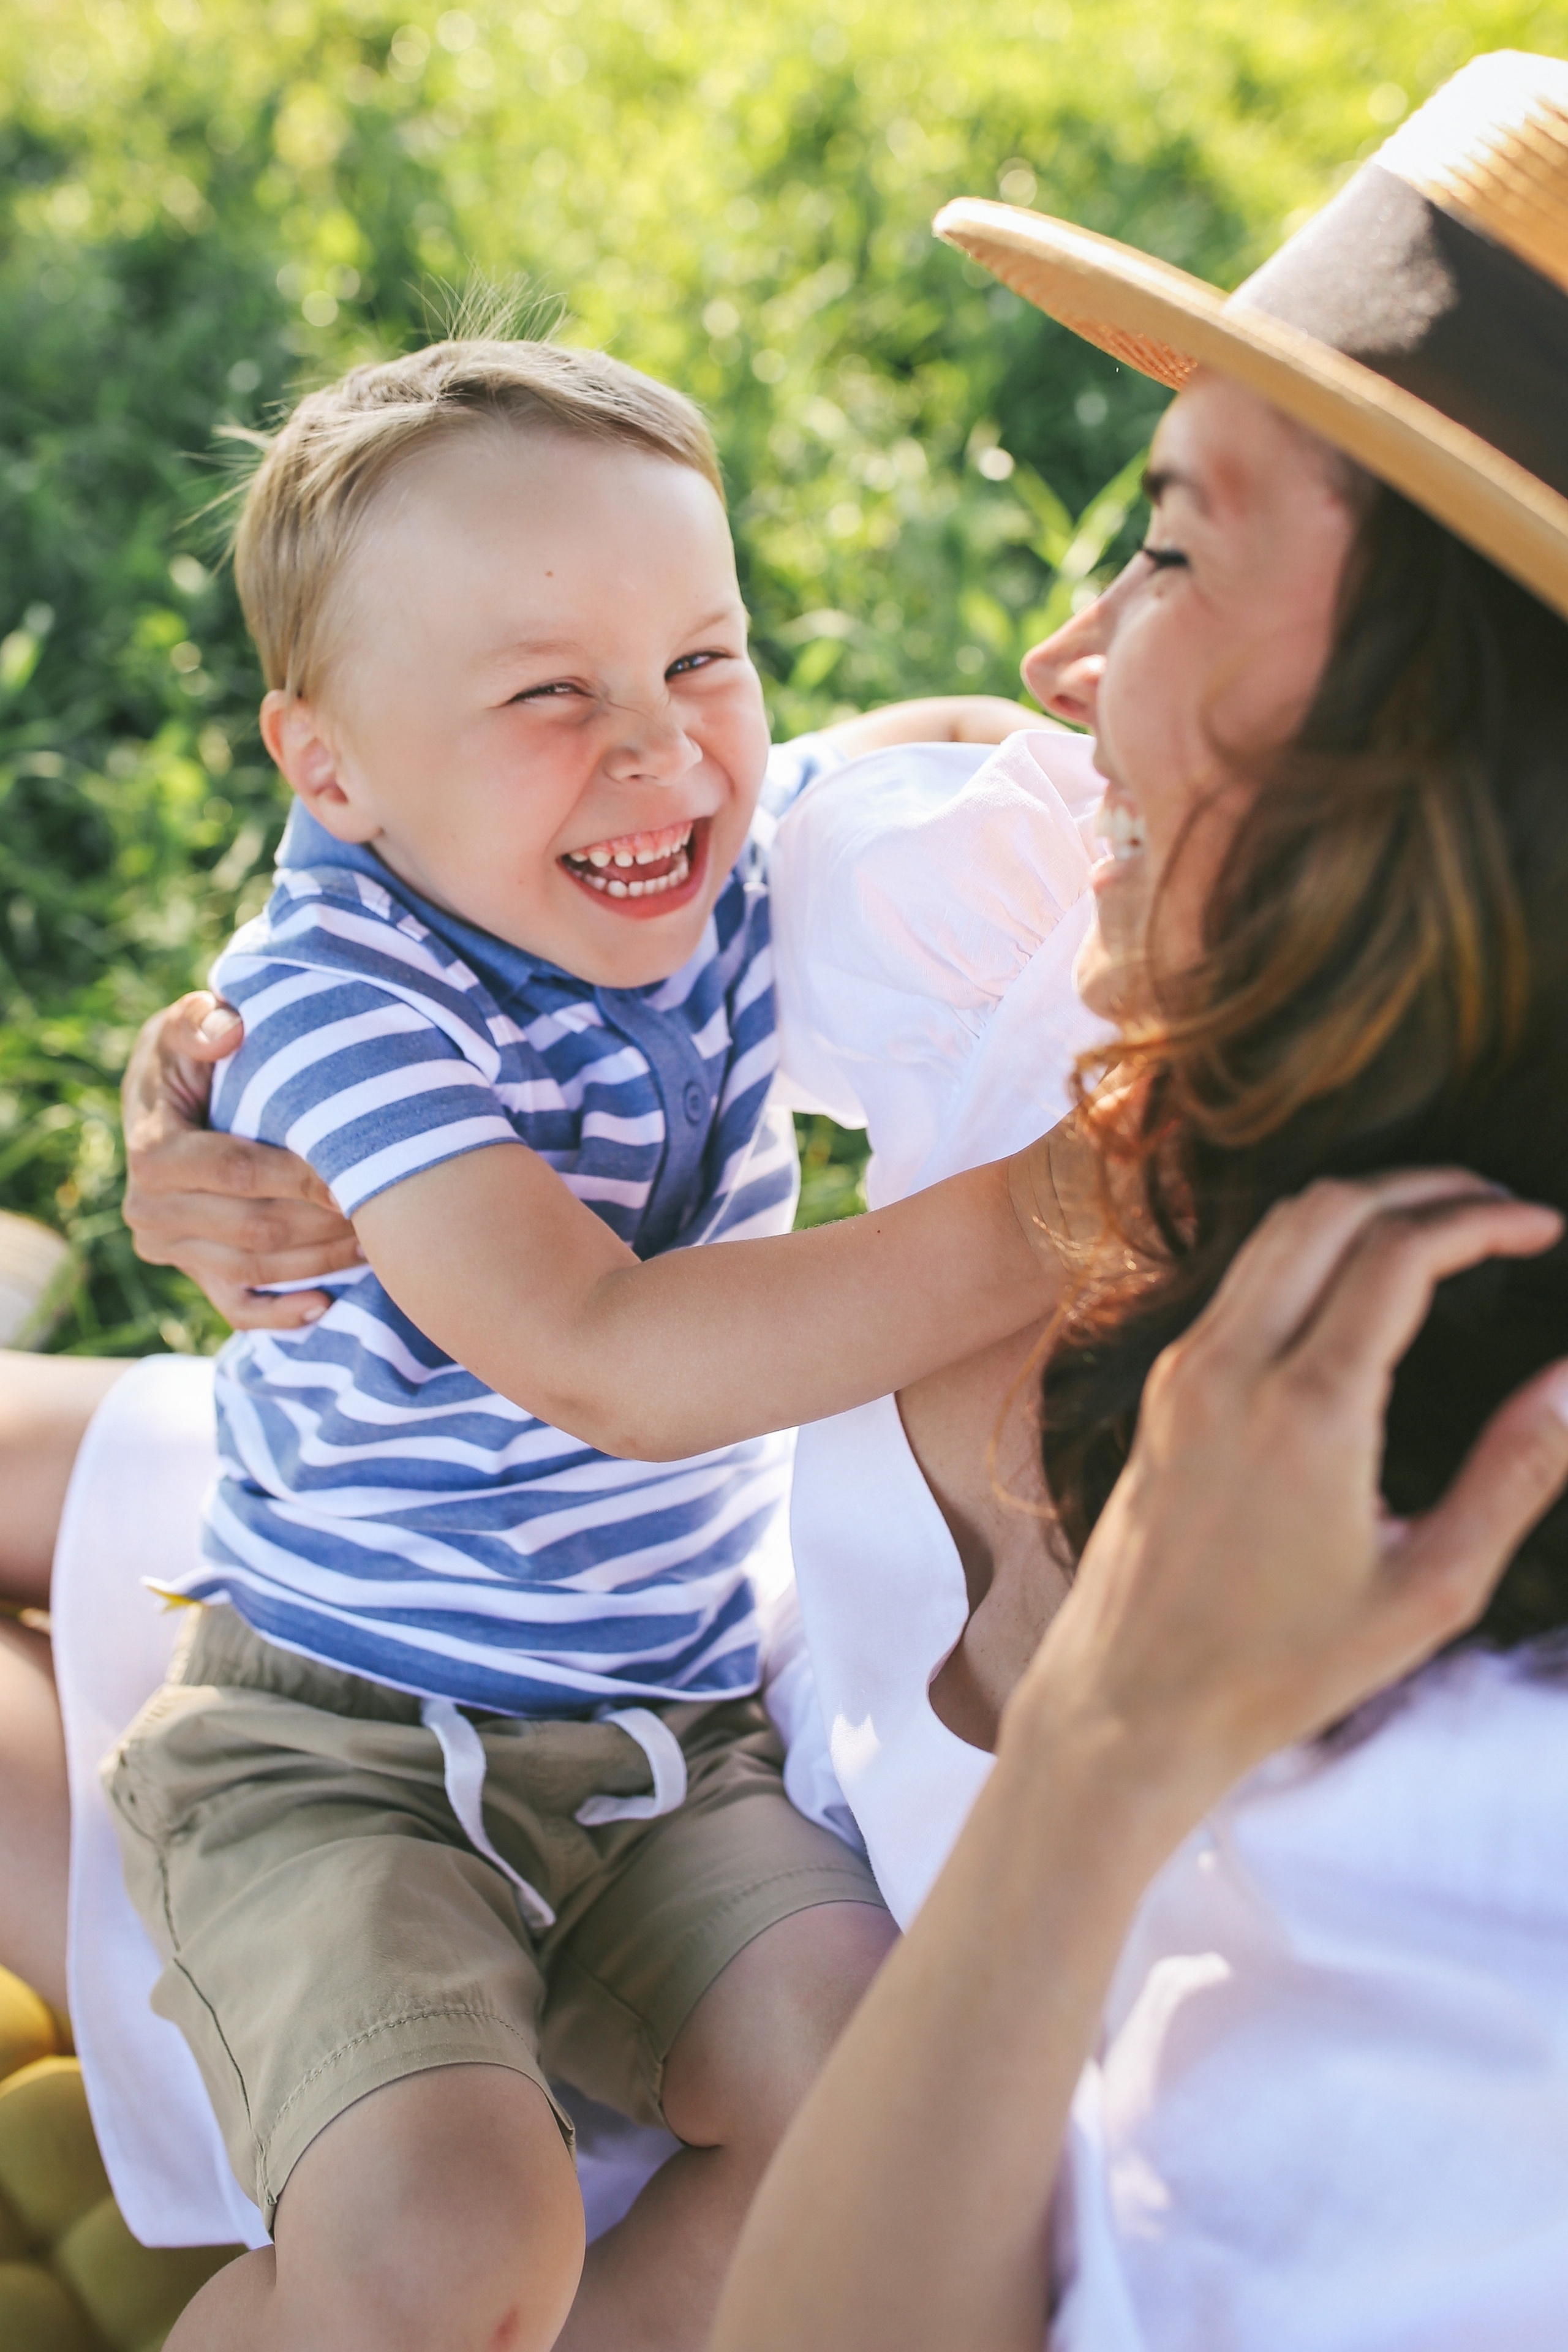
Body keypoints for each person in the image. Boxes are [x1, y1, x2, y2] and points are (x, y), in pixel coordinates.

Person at [13, 39, 1568, 2346]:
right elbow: (453, 789)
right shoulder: (1039, 905)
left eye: (1160, 550)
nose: (1055, 666)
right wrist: (208, 1105)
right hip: (403, 1579)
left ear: (1448, 745)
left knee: (453, 2237)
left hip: (688, 1847)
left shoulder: (1456, 1787)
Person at [85, 333, 1092, 2352]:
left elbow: (950, 740)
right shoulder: (342, 998)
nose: (659, 756)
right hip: (341, 1744)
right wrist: (1086, 1192)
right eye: (550, 693)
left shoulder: (700, 861)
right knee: (446, 2243)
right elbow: (603, 1352)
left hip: (667, 1737)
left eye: (702, 658)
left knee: (878, 2118)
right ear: (332, 769)